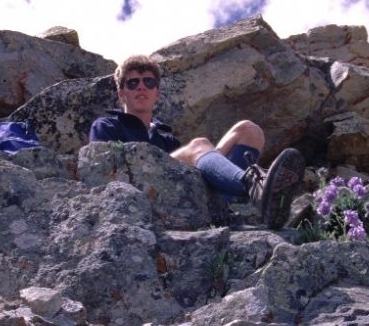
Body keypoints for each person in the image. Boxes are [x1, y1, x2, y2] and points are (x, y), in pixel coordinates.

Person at [88, 54, 304, 229]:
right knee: (198, 145)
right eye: (133, 83)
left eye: (149, 82)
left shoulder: (166, 139)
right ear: (122, 94)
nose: (141, 87)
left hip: (185, 196)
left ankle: (250, 197)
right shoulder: (107, 126)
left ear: (157, 93)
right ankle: (255, 187)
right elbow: (102, 171)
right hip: (142, 198)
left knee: (249, 130)